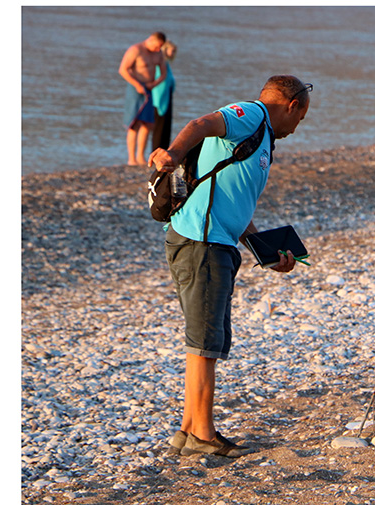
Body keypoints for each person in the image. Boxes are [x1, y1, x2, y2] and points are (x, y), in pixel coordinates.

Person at [148, 75, 312, 457]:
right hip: (201, 243)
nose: (297, 128)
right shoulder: (252, 115)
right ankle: (203, 435)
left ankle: (189, 429)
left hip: (215, 242)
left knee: (207, 339)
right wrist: (171, 154)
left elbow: (236, 207)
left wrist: (266, 254)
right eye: (300, 120)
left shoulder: (262, 138)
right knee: (206, 341)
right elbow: (201, 124)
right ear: (292, 106)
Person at [119, 32, 167, 166]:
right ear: (151, 40)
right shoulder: (136, 50)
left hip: (149, 88)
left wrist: (154, 84)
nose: (158, 49)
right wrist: (137, 85)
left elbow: (163, 74)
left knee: (147, 124)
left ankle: (140, 157)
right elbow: (123, 70)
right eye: (157, 46)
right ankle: (131, 158)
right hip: (135, 88)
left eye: (160, 47)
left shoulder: (158, 54)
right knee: (134, 124)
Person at [151, 40, 177, 151]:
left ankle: (164, 150)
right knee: (160, 128)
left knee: (166, 127)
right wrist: (158, 101)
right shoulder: (160, 64)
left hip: (167, 97)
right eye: (173, 50)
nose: (174, 53)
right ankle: (157, 151)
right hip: (160, 99)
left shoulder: (166, 64)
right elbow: (160, 82)